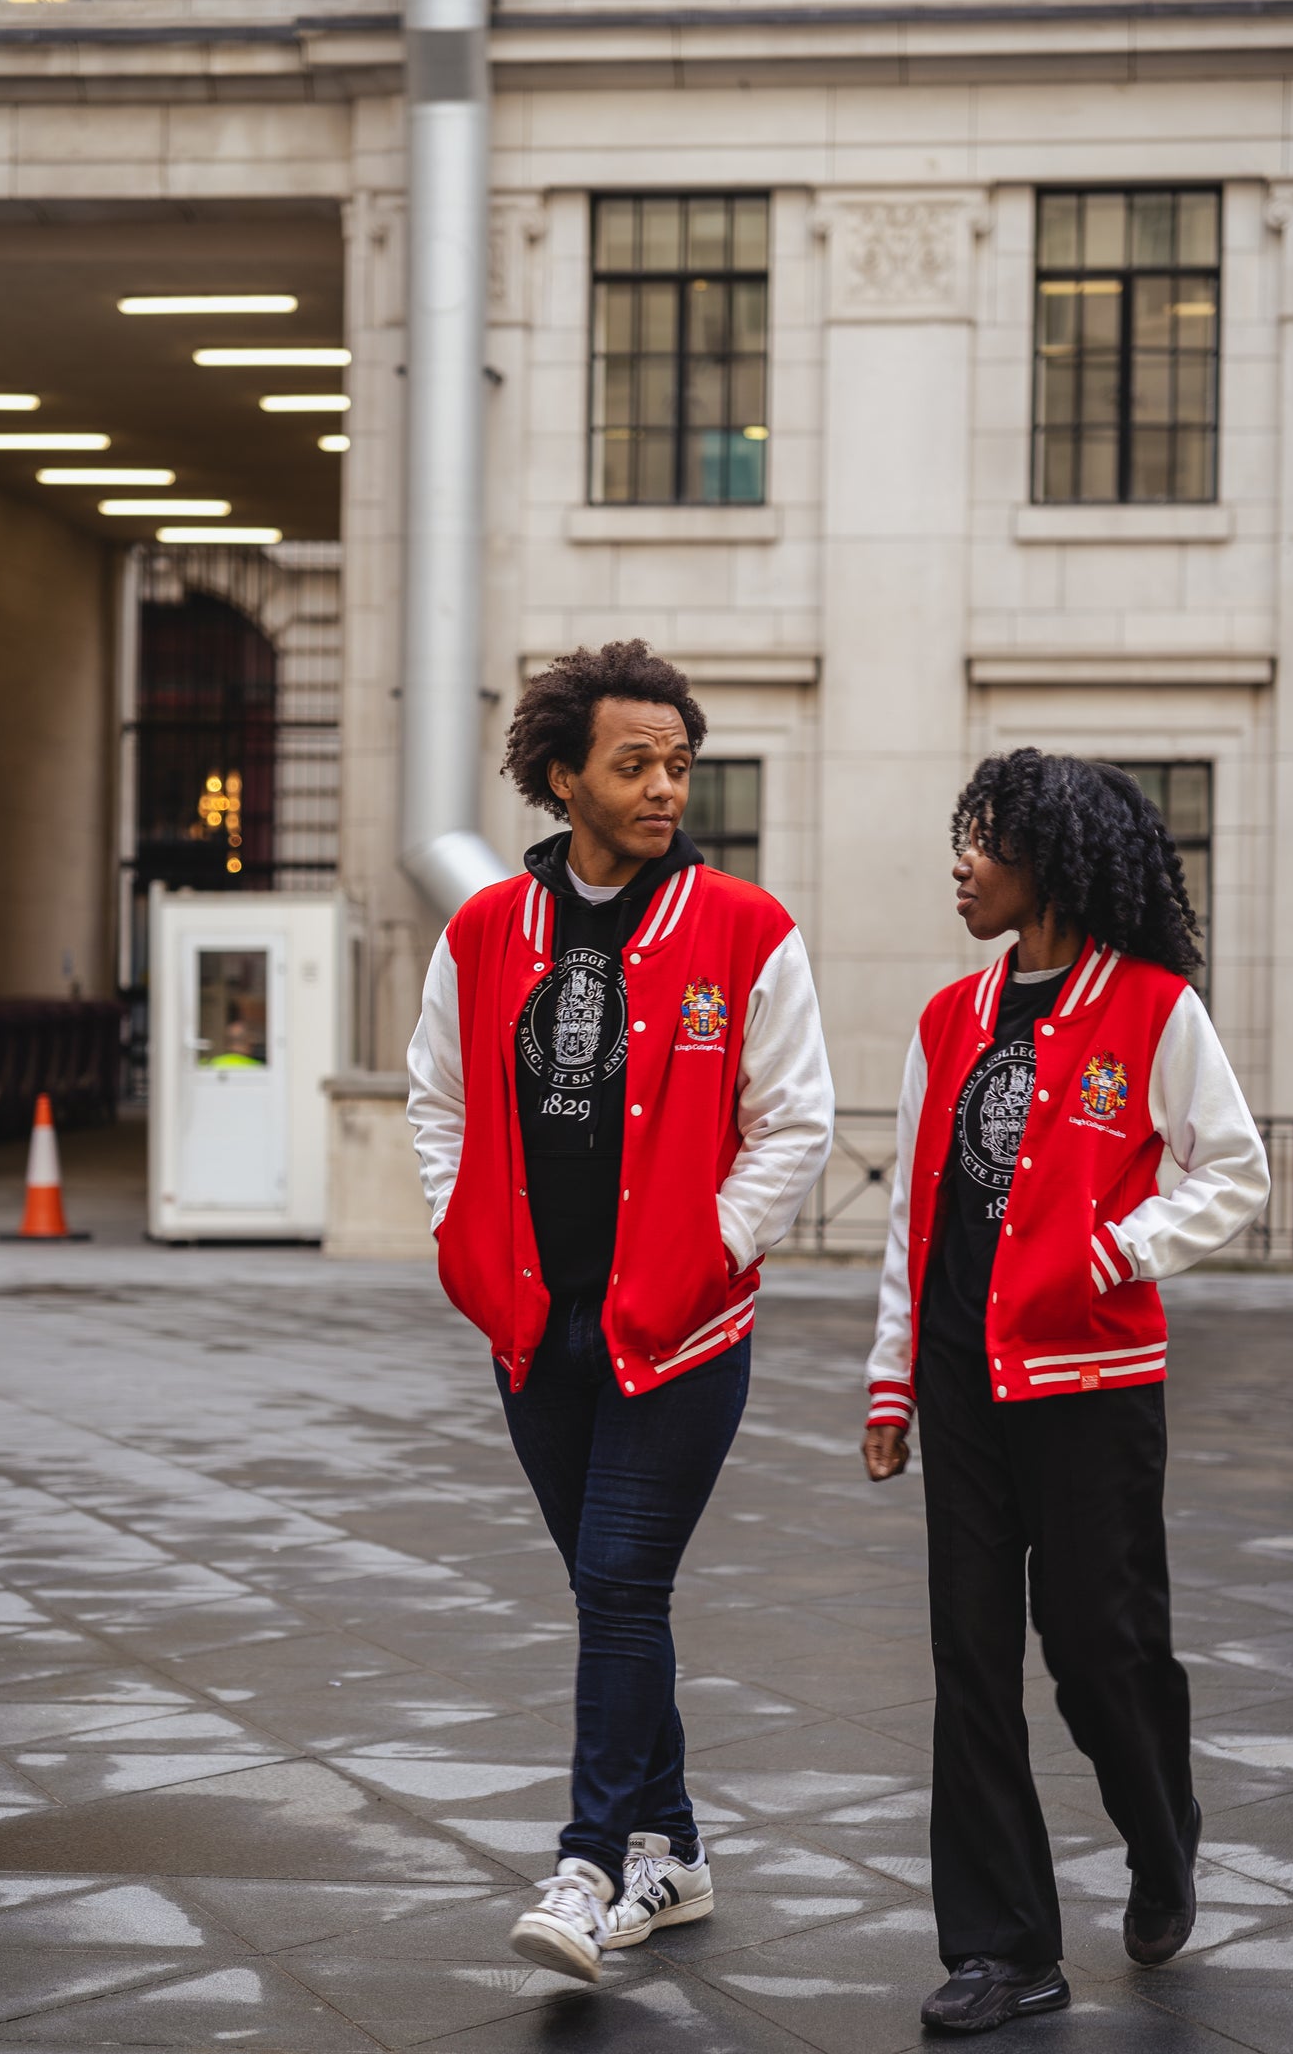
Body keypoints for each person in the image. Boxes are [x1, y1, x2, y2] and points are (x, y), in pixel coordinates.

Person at [407, 638, 835, 1985]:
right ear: (560, 777)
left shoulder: (743, 929)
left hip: (682, 1329)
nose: (664, 789)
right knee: (610, 1599)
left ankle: (591, 1867)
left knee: (617, 1586)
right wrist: (457, 1233)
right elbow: (438, 1098)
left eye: (677, 765)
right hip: (534, 1327)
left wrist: (709, 1245)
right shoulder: (483, 932)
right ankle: (678, 1850)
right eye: (634, 764)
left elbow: (796, 1122)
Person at [862, 749, 1269, 2037]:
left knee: (1098, 1650)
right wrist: (891, 1380)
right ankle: (1006, 1949)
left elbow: (1236, 1171)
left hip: (1093, 1386)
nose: (961, 864)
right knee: (971, 1664)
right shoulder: (945, 1020)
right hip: (964, 1382)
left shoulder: (1153, 1008)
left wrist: (1120, 1244)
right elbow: (912, 1215)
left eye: (984, 841)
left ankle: (1161, 1827)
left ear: (1050, 859)